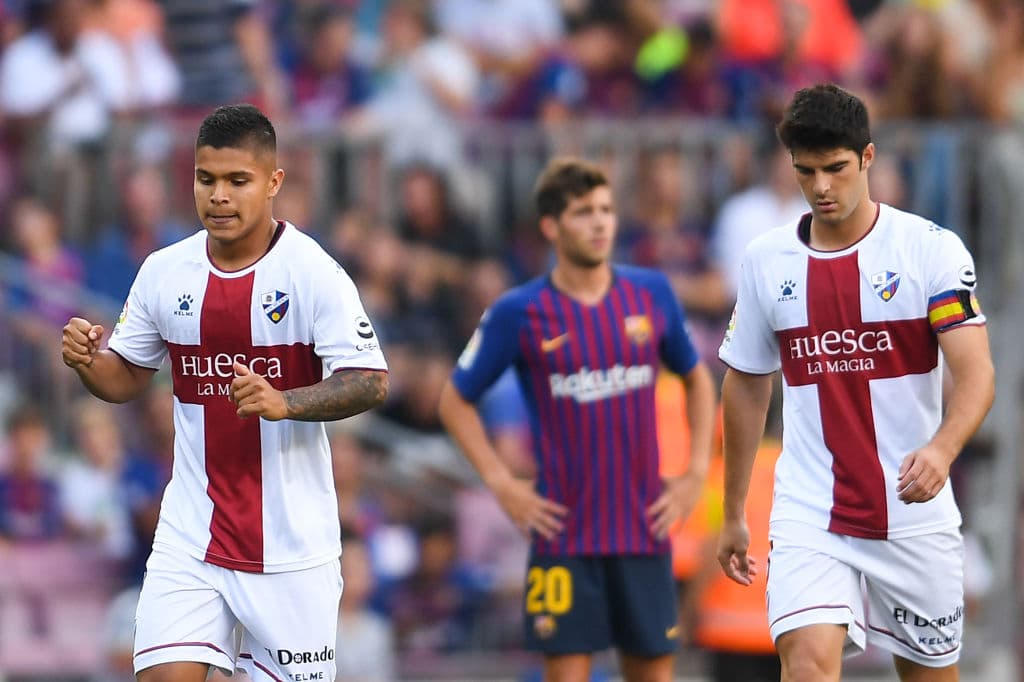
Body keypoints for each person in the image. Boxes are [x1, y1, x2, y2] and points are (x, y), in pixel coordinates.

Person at [60, 103, 389, 682]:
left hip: (292, 550)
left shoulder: (311, 272)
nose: (218, 196)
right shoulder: (164, 272)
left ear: (273, 182)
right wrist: (90, 363)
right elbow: (126, 375)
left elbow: (370, 379)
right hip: (192, 536)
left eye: (238, 180)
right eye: (205, 179)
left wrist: (287, 401)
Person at [716, 83, 995, 682]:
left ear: (868, 157)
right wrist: (733, 509)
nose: (821, 186)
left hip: (911, 508)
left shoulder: (930, 251)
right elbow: (745, 383)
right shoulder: (765, 260)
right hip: (812, 508)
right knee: (806, 666)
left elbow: (977, 375)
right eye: (806, 171)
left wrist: (943, 449)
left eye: (836, 168)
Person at [438, 157, 716, 682]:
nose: (600, 222)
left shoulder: (650, 293)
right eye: (584, 212)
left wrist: (696, 473)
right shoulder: (518, 311)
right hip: (563, 537)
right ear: (551, 226)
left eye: (606, 210)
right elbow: (454, 401)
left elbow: (698, 380)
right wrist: (503, 484)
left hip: (642, 531)